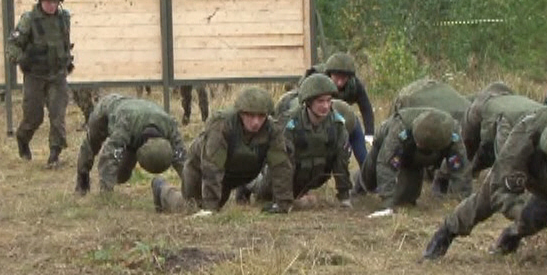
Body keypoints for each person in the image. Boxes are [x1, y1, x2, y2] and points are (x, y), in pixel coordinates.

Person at [423, 107, 547, 259]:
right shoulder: (523, 141)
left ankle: (513, 235)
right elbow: (498, 192)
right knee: (485, 199)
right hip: (532, 160)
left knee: (540, 215)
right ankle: (447, 231)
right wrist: (520, 211)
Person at [151, 85, 292, 214]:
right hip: (199, 170)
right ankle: (161, 189)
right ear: (241, 113)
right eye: (251, 115)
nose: (256, 122)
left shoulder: (272, 129)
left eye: (261, 116)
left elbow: (281, 166)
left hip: (229, 176)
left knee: (213, 206)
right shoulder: (222, 125)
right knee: (191, 207)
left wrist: (282, 204)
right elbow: (211, 166)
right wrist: (210, 208)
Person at [244, 73, 352, 211]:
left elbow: (341, 161)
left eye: (328, 101)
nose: (326, 106)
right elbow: (282, 164)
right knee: (264, 192)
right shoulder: (290, 124)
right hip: (281, 176)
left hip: (311, 176)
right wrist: (284, 202)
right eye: (320, 101)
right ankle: (246, 182)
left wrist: (344, 197)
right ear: (308, 102)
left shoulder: (337, 125)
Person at [7, 0, 72, 167]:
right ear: (40, 1)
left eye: (55, 2)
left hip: (57, 75)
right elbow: (12, 45)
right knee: (33, 117)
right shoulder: (29, 20)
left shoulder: (64, 18)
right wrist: (22, 58)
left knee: (58, 116)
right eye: (48, 2)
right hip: (35, 76)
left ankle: (54, 154)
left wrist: (65, 60)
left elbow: (64, 43)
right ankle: (23, 139)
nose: (51, 5)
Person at [355, 107, 469, 210]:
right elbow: (386, 165)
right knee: (370, 177)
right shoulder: (400, 128)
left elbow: (460, 169)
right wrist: (388, 200)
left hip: (416, 156)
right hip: (389, 141)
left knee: (406, 201)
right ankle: (358, 187)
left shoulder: (452, 134)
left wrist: (460, 199)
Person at [75, 93, 187, 194]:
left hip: (137, 122)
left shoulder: (169, 126)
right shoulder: (125, 125)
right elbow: (109, 154)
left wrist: (191, 189)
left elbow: (182, 160)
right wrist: (106, 192)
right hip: (107, 109)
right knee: (91, 145)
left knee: (122, 175)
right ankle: (82, 179)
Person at [461, 82, 544, 176]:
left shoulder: (483, 108)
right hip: (539, 116)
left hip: (509, 121)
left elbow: (481, 147)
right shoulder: (512, 101)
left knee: (507, 172)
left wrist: (471, 169)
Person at [308, 52, 375, 135]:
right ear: (329, 74)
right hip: (317, 121)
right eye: (336, 77)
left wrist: (369, 134)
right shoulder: (316, 82)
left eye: (343, 78)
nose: (339, 83)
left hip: (342, 118)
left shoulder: (355, 86)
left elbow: (366, 109)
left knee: (355, 126)